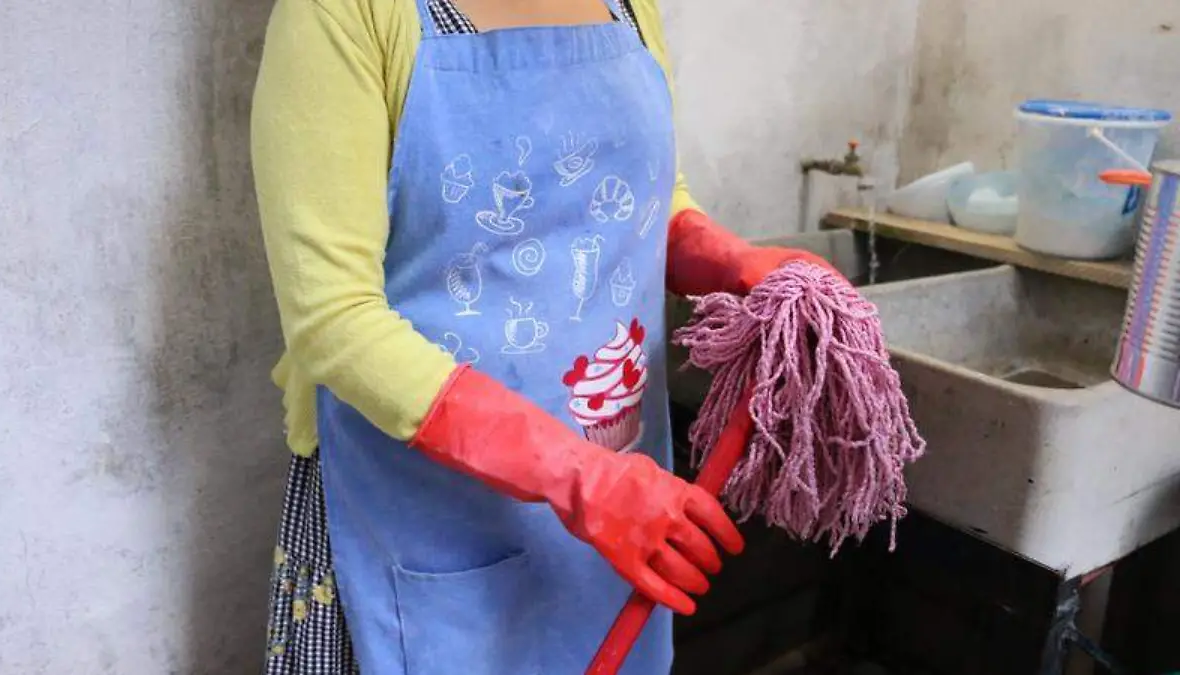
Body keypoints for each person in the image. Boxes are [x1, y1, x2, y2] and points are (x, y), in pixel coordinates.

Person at [251, 0, 838, 672]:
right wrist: (585, 483)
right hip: (434, 528)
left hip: (620, 524)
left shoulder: (628, 7)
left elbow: (645, 198)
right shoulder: (343, 14)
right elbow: (334, 317)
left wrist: (731, 262)